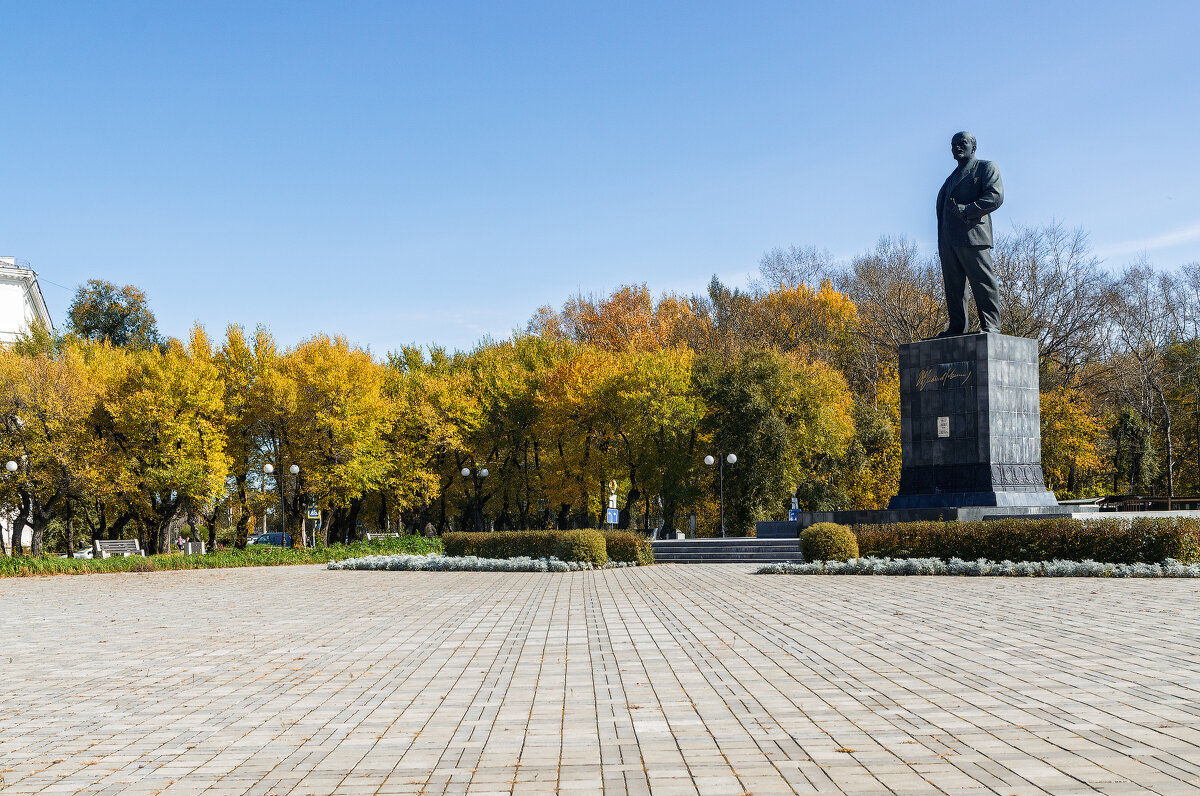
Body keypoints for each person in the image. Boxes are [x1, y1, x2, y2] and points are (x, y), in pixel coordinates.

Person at [935, 131, 1004, 336]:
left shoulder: (985, 168)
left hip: (973, 236)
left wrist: (969, 209)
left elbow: (995, 196)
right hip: (948, 241)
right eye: (953, 144)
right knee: (954, 288)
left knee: (983, 282)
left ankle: (991, 325)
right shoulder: (950, 178)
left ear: (973, 147)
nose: (956, 147)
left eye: (962, 143)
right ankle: (957, 326)